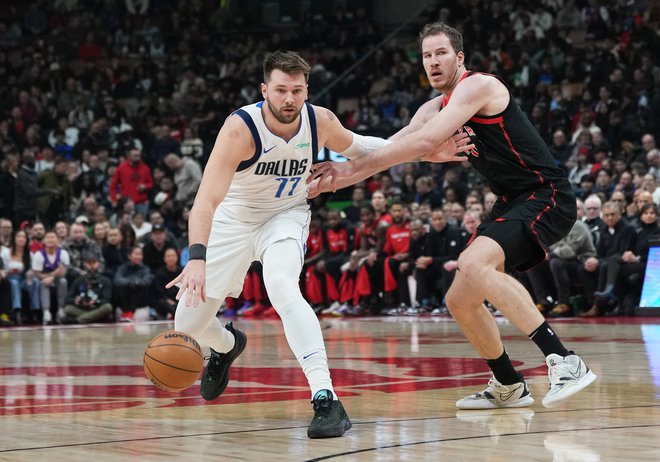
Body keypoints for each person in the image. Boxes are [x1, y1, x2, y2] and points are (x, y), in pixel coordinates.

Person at [165, 51, 458, 438]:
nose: (289, 99)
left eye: (297, 91)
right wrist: (196, 259)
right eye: (282, 90)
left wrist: (424, 150)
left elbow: (364, 148)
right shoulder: (240, 128)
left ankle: (325, 398)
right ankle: (225, 344)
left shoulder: (319, 120)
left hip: (285, 216)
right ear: (264, 90)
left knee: (283, 287)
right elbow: (205, 201)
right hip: (233, 221)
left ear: (307, 90)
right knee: (186, 324)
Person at [309, 22, 597, 409]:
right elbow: (390, 147)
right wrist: (343, 174)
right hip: (512, 200)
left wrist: (366, 167)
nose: (433, 62)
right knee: (459, 299)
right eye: (427, 56)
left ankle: (564, 360)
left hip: (547, 193)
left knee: (473, 263)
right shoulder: (432, 108)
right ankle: (509, 384)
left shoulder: (479, 86)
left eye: (441, 53)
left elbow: (423, 143)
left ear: (459, 57)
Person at [62, 250, 113, 324]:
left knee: (108, 307)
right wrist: (76, 301)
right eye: (89, 263)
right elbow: (67, 299)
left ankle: (77, 321)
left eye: (94, 263)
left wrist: (95, 302)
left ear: (98, 264)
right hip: (82, 308)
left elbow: (107, 300)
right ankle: (95, 319)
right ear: (85, 264)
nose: (91, 266)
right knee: (68, 309)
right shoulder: (78, 280)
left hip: (97, 308)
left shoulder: (105, 280)